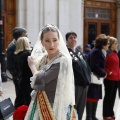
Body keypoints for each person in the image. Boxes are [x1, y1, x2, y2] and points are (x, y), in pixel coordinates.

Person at [24, 24, 77, 120]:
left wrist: (32, 66)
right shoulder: (43, 58)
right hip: (40, 103)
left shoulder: (62, 60)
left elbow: (41, 79)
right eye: (47, 41)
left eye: (54, 40)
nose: (51, 45)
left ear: (59, 40)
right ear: (42, 42)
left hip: (55, 106)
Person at [66, 31, 91, 120]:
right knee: (73, 109)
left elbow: (86, 66)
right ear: (66, 40)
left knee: (81, 109)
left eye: (75, 37)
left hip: (84, 85)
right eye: (71, 38)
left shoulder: (79, 52)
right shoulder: (66, 53)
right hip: (75, 85)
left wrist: (88, 79)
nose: (73, 39)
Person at [86, 34, 109, 120]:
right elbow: (94, 66)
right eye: (107, 44)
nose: (108, 45)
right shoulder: (96, 51)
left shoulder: (99, 51)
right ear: (103, 44)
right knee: (91, 97)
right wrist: (104, 73)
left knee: (95, 97)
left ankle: (93, 116)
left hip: (97, 78)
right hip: (93, 79)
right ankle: (89, 117)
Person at [6, 27, 27, 108]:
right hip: (19, 78)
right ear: (19, 37)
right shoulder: (12, 47)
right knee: (20, 97)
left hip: (23, 77)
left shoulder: (22, 44)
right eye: (25, 36)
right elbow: (10, 66)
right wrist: (18, 76)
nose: (26, 38)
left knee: (24, 97)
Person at [103, 37, 120, 120]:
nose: (117, 45)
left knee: (113, 97)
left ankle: (111, 113)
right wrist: (108, 71)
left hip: (116, 78)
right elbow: (103, 65)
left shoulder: (115, 53)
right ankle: (106, 114)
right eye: (115, 43)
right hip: (109, 78)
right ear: (111, 44)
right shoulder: (107, 53)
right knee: (108, 97)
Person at [14, 37, 33, 108]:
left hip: (22, 80)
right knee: (28, 101)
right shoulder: (28, 54)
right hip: (28, 81)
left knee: (21, 99)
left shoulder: (18, 54)